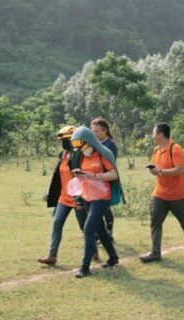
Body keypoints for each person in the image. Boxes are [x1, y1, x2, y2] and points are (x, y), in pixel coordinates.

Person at [69, 126, 124, 278]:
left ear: (88, 141)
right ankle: (113, 257)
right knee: (100, 229)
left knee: (88, 229)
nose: (78, 147)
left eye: (79, 143)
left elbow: (113, 174)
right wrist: (79, 174)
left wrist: (94, 176)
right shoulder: (80, 156)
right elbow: (83, 174)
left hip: (102, 197)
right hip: (88, 196)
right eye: (75, 144)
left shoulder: (102, 154)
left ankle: (84, 267)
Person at [140, 123, 184, 262]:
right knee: (155, 222)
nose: (152, 135)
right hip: (159, 193)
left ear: (160, 134)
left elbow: (180, 169)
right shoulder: (156, 150)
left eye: (154, 133)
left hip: (177, 194)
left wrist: (161, 171)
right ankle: (155, 253)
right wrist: (154, 170)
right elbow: (157, 168)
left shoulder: (175, 148)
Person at [38, 125, 86, 266]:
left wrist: (81, 199)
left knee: (84, 228)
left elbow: (82, 178)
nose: (64, 143)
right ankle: (52, 256)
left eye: (66, 140)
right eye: (62, 141)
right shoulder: (63, 155)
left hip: (78, 198)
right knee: (57, 224)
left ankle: (93, 251)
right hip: (63, 198)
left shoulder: (80, 156)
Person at [91, 117, 117, 241]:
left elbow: (112, 163)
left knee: (107, 208)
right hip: (94, 180)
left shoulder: (110, 144)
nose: (94, 133)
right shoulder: (93, 143)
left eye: (96, 131)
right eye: (93, 131)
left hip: (106, 179)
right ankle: (98, 233)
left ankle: (109, 233)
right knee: (95, 208)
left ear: (104, 130)